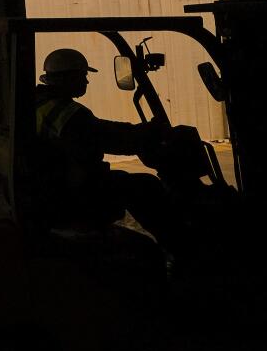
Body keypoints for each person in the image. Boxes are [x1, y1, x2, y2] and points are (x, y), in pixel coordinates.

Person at [30, 47, 182, 250]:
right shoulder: (68, 114)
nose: (86, 81)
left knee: (133, 182)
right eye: (82, 75)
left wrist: (141, 130)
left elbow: (100, 128)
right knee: (146, 186)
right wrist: (147, 133)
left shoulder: (40, 103)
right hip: (74, 191)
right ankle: (179, 248)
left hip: (58, 184)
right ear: (68, 77)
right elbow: (111, 138)